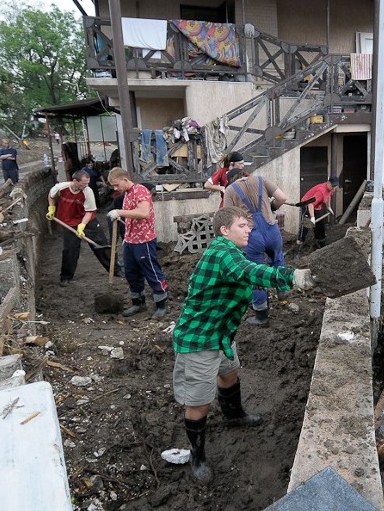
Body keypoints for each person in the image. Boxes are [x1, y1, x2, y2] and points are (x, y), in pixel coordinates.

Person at [172, 206, 315, 485]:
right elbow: (249, 272)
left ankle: (233, 415)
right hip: (200, 339)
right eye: (242, 225)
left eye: (248, 225)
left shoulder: (230, 252)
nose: (249, 229)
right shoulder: (222, 253)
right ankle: (196, 456)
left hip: (221, 334)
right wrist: (292, 277)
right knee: (198, 401)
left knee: (229, 373)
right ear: (225, 230)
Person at [223, 167, 288, 326]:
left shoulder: (230, 190)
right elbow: (282, 198)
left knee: (256, 272)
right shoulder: (260, 180)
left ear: (230, 180)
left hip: (252, 235)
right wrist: (272, 207)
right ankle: (283, 292)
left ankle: (261, 316)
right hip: (272, 230)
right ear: (245, 174)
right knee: (278, 259)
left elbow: (227, 216)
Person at [107, 168, 169, 319]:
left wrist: (119, 212)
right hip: (130, 240)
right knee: (131, 273)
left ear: (125, 180)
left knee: (151, 271)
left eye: (116, 185)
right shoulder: (127, 194)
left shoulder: (140, 191)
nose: (116, 189)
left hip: (144, 240)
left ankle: (161, 304)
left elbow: (143, 213)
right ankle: (138, 303)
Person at [46, 170, 116, 287]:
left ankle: (115, 269)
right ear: (75, 181)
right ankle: (66, 277)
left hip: (88, 221)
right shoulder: (61, 188)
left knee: (100, 244)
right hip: (69, 222)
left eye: (87, 183)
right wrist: (51, 208)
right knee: (70, 250)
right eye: (83, 183)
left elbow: (89, 212)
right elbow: (51, 195)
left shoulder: (87, 192)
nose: (86, 186)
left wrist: (82, 226)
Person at [295, 175, 338, 257]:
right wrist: (312, 218)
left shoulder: (331, 189)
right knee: (305, 227)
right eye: (332, 186)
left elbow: (328, 196)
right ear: (328, 183)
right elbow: (310, 204)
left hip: (317, 207)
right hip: (306, 205)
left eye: (335, 187)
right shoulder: (321, 191)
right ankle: (298, 250)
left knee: (320, 226)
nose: (333, 189)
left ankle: (321, 246)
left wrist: (328, 207)